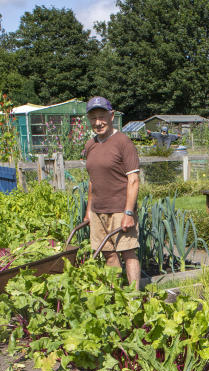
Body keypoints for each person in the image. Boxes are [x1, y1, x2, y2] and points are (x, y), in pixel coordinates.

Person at [83, 96, 141, 289]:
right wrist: (89, 211)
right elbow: (92, 181)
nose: (98, 122)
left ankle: (134, 295)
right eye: (93, 118)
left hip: (120, 209)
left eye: (102, 116)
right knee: (108, 253)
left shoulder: (123, 142)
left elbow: (133, 180)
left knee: (128, 252)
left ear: (111, 116)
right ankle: (117, 295)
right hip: (98, 211)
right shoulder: (90, 145)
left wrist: (128, 213)